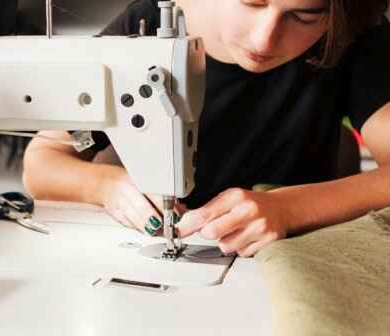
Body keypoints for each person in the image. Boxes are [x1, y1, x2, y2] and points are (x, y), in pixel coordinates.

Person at [23, 0, 390, 257]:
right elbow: (42, 163)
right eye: (252, 3)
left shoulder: (357, 39)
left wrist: (289, 208)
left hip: (289, 257)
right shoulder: (146, 26)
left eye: (305, 16)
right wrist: (105, 186)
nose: (265, 38)